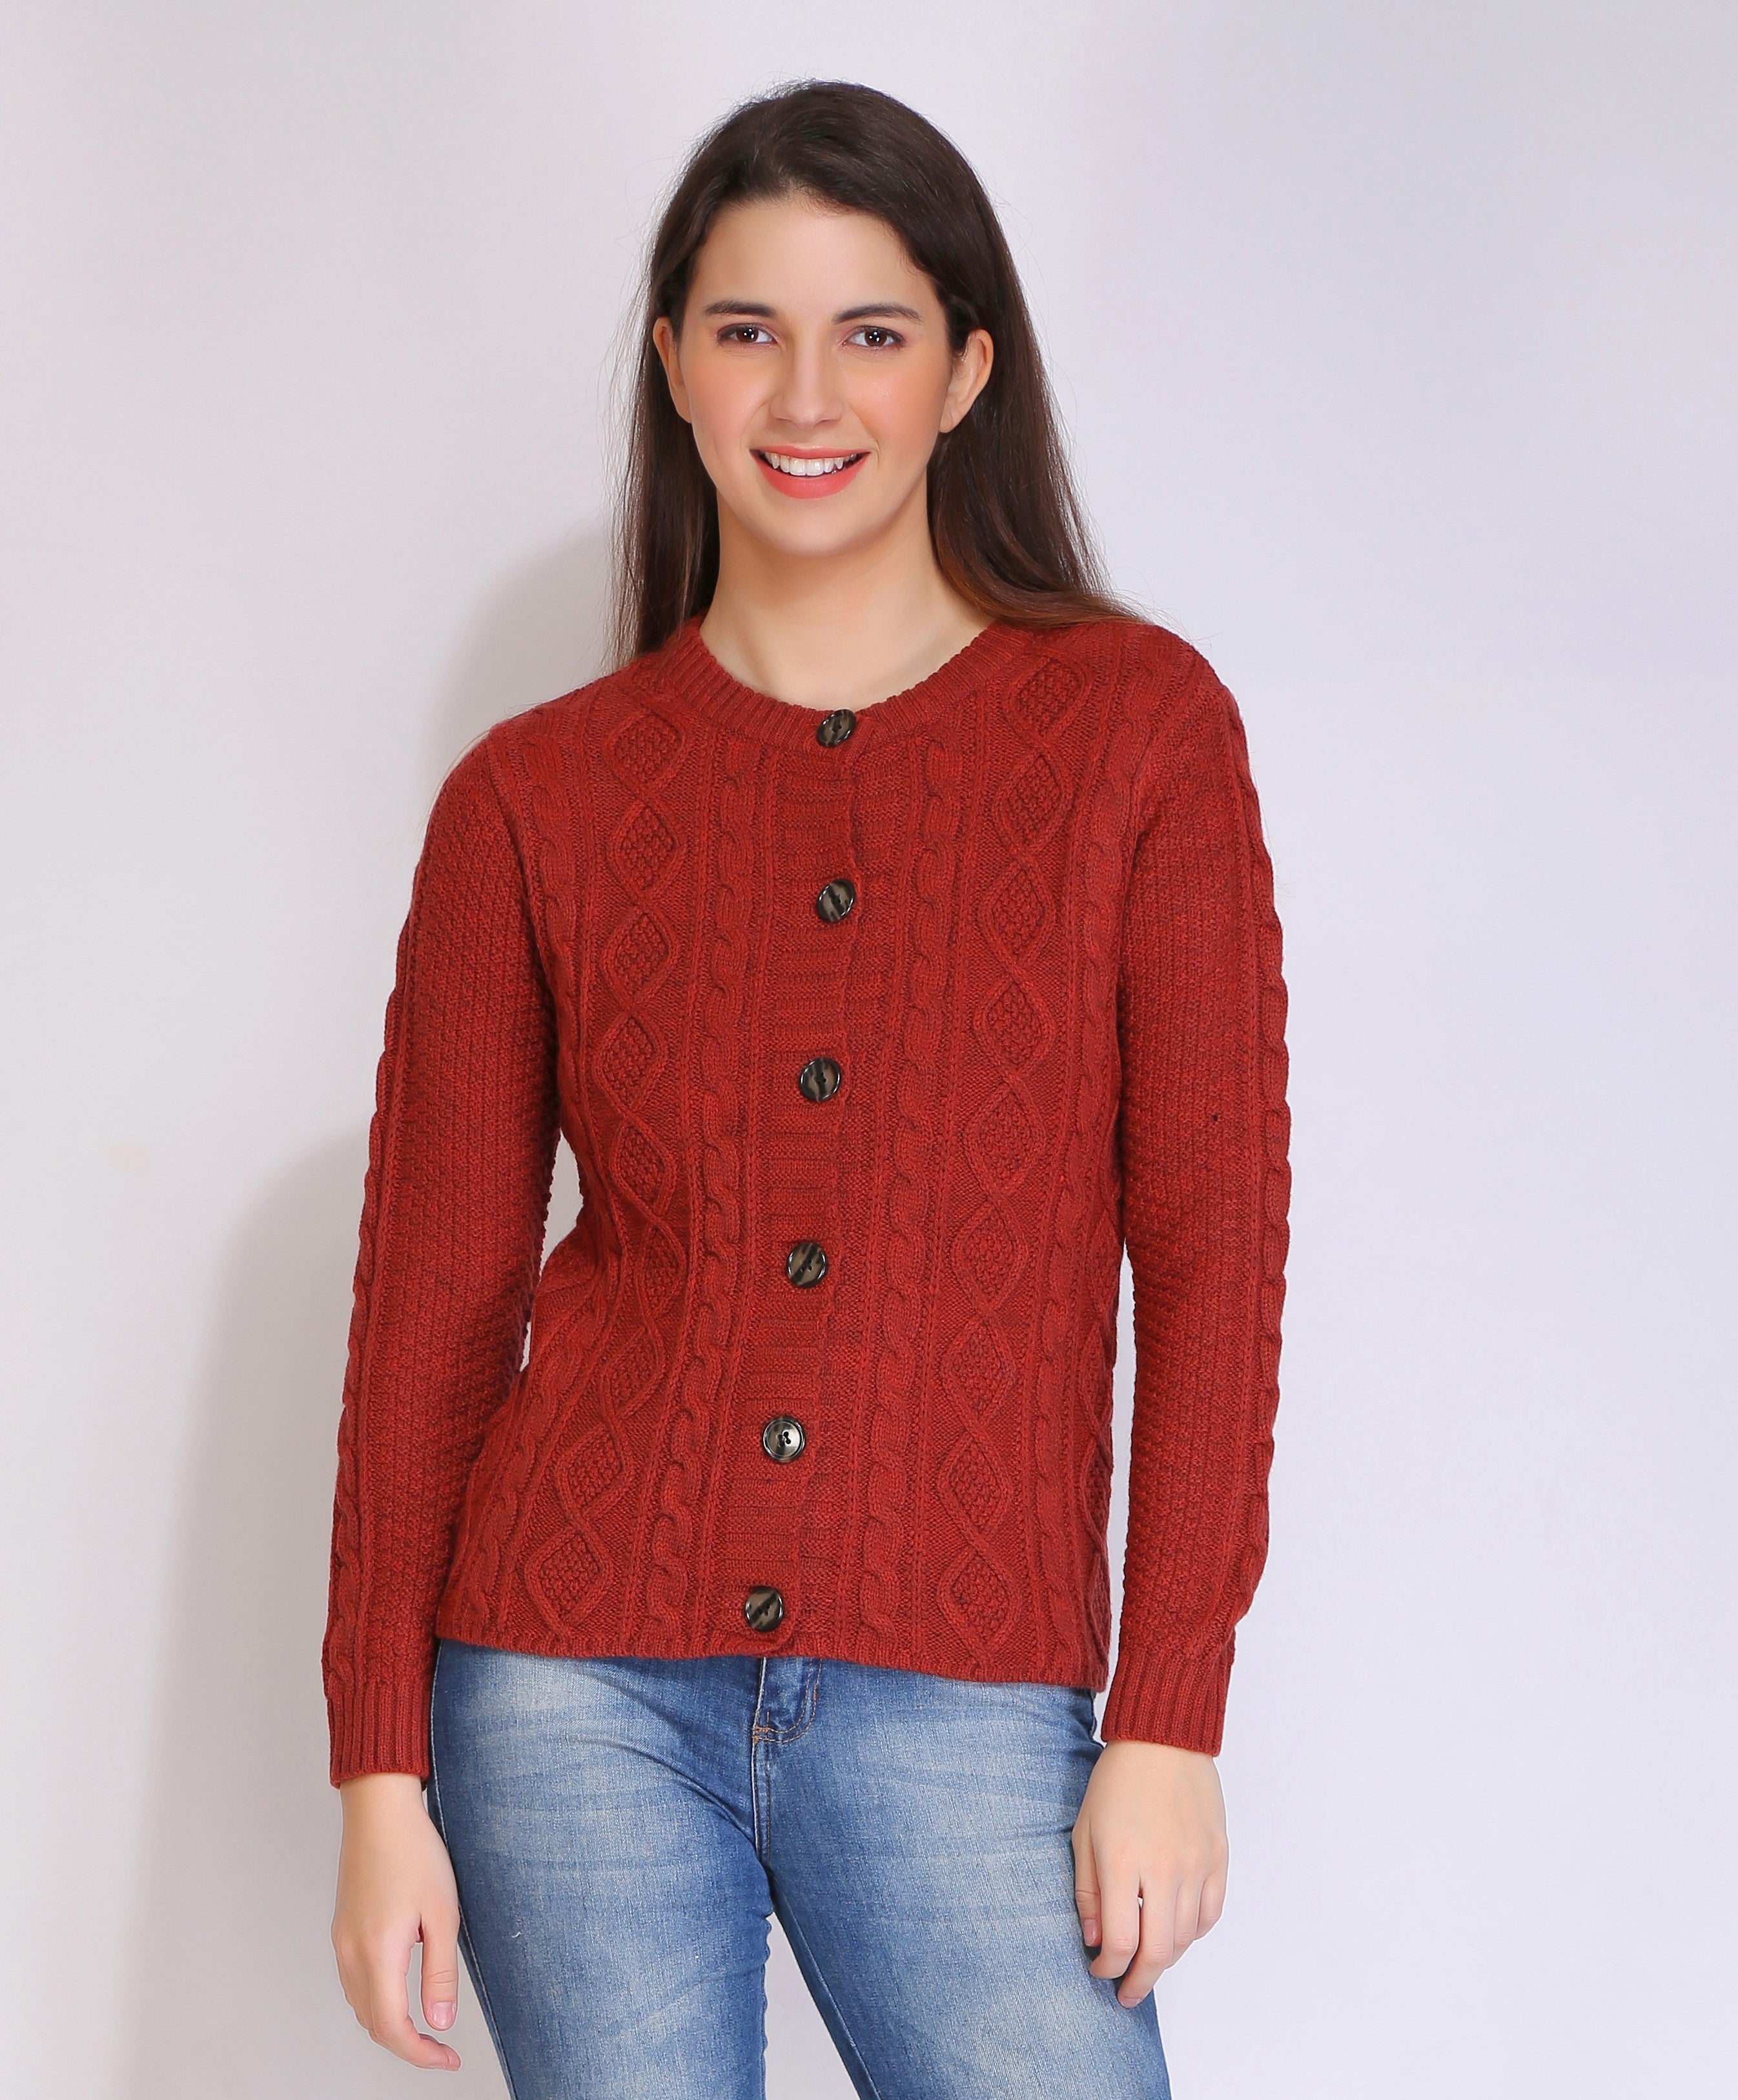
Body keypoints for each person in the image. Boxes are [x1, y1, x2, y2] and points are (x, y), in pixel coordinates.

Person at [323, 77, 1291, 2100]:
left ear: (964, 375)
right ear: (673, 363)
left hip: (967, 1689)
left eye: (872, 331)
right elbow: (433, 1307)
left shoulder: (1136, 734)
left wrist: (1169, 1716)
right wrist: (379, 1775)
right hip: (566, 1686)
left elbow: (1212, 1260)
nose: (806, 392)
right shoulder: (532, 797)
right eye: (748, 328)